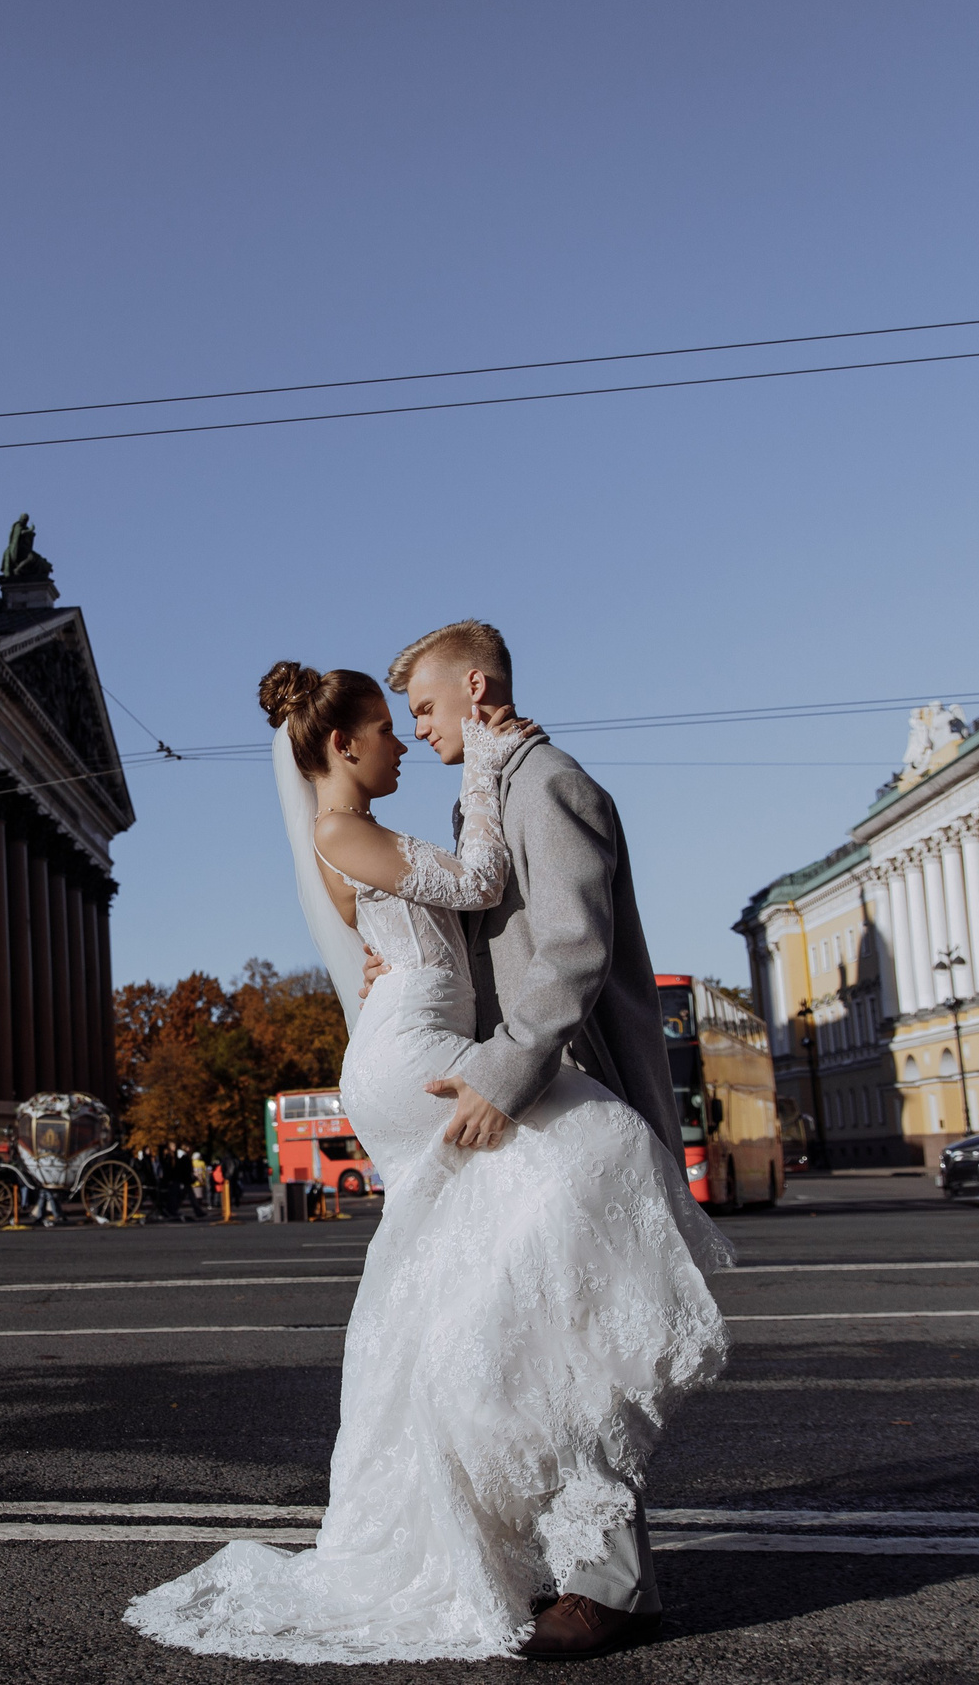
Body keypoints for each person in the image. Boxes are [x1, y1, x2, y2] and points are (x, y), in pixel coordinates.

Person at [126, 647, 728, 1666]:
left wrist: (421, 956)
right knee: (577, 1247)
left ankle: (562, 1560)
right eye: (392, 719)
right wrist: (482, 1041)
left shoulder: (547, 783)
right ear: (341, 741)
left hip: (460, 1056)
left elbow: (556, 941)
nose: (411, 732)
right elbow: (494, 899)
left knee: (509, 1317)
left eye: (422, 708)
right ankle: (601, 1575)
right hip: (442, 1066)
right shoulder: (401, 814)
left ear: (476, 692)